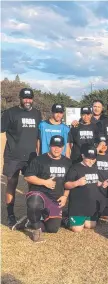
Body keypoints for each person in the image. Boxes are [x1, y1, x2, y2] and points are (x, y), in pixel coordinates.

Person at [17, 136, 72, 242]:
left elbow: (68, 182)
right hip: (40, 195)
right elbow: (28, 176)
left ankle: (31, 220)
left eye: (59, 147)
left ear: (63, 147)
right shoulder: (39, 160)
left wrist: (65, 196)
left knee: (53, 229)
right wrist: (45, 182)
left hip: (55, 199)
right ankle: (36, 228)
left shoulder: (68, 163)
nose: (57, 149)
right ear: (49, 146)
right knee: (34, 202)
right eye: (54, 146)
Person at [1, 88, 42, 227]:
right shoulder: (10, 112)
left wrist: (39, 154)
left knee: (33, 185)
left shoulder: (37, 113)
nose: (27, 101)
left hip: (31, 157)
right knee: (12, 184)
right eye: (25, 98)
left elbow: (38, 136)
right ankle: (10, 215)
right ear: (20, 98)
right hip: (13, 156)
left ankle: (32, 214)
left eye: (30, 98)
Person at [64, 144, 108, 232]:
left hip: (90, 206)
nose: (91, 161)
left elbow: (95, 181)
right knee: (77, 229)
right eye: (88, 158)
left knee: (90, 226)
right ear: (82, 155)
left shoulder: (95, 168)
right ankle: (65, 218)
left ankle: (84, 218)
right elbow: (66, 184)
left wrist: (101, 184)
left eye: (93, 159)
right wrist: (77, 183)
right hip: (78, 206)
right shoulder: (75, 168)